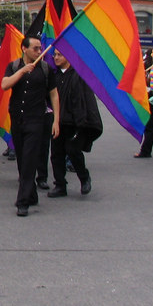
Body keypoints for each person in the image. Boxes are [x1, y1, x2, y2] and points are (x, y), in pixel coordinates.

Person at [2, 36, 60, 217]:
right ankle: (31, 193)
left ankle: (23, 201)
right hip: (18, 118)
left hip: (37, 119)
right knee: (21, 158)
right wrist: (22, 72)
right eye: (35, 48)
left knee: (29, 158)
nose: (38, 51)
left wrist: (57, 120)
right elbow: (4, 85)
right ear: (24, 48)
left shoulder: (45, 69)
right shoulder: (13, 66)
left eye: (39, 48)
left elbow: (54, 95)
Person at [47, 50, 102, 197]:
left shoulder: (78, 76)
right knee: (56, 154)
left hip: (75, 123)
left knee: (73, 151)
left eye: (60, 55)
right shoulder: (54, 75)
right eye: (55, 55)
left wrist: (82, 123)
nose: (56, 58)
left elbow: (84, 101)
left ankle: (84, 178)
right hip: (58, 122)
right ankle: (60, 185)